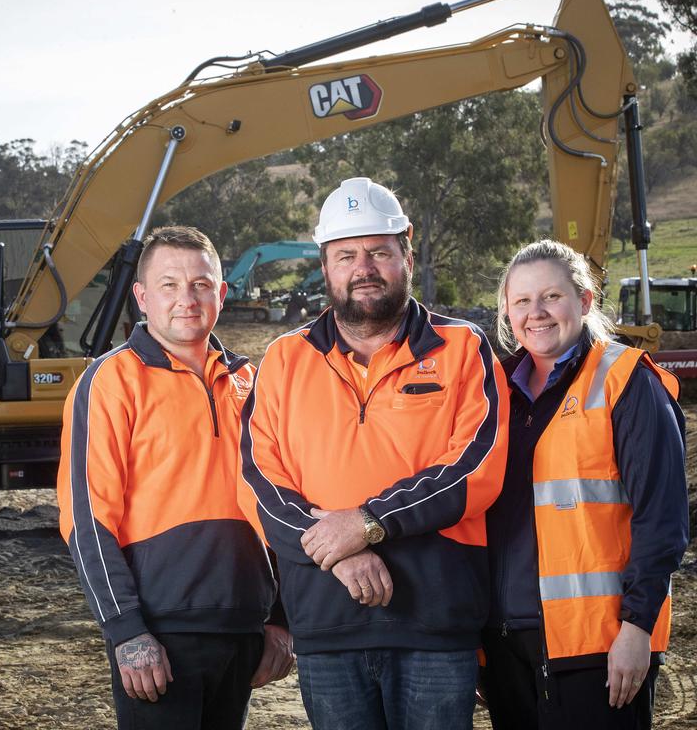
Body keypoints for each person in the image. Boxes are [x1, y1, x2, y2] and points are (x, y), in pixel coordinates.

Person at [239, 177, 508, 730]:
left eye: (379, 252)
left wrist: (367, 524)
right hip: (326, 624)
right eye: (346, 255)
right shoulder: (284, 360)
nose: (364, 267)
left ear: (405, 253)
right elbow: (257, 481)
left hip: (436, 622)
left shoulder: (462, 349)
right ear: (325, 265)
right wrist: (337, 550)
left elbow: (476, 469)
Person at [57, 226, 294, 729]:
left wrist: (279, 619)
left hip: (244, 626)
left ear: (222, 294)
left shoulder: (253, 384)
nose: (187, 299)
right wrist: (125, 630)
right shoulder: (110, 381)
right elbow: (87, 517)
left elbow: (284, 502)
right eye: (169, 285)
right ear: (141, 296)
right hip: (159, 632)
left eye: (201, 284)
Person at [480, 239, 688, 730]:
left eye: (551, 297)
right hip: (505, 644)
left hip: (599, 645)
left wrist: (637, 629)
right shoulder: (493, 391)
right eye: (522, 302)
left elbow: (662, 520)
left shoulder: (626, 382)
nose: (537, 313)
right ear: (508, 313)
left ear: (585, 300)